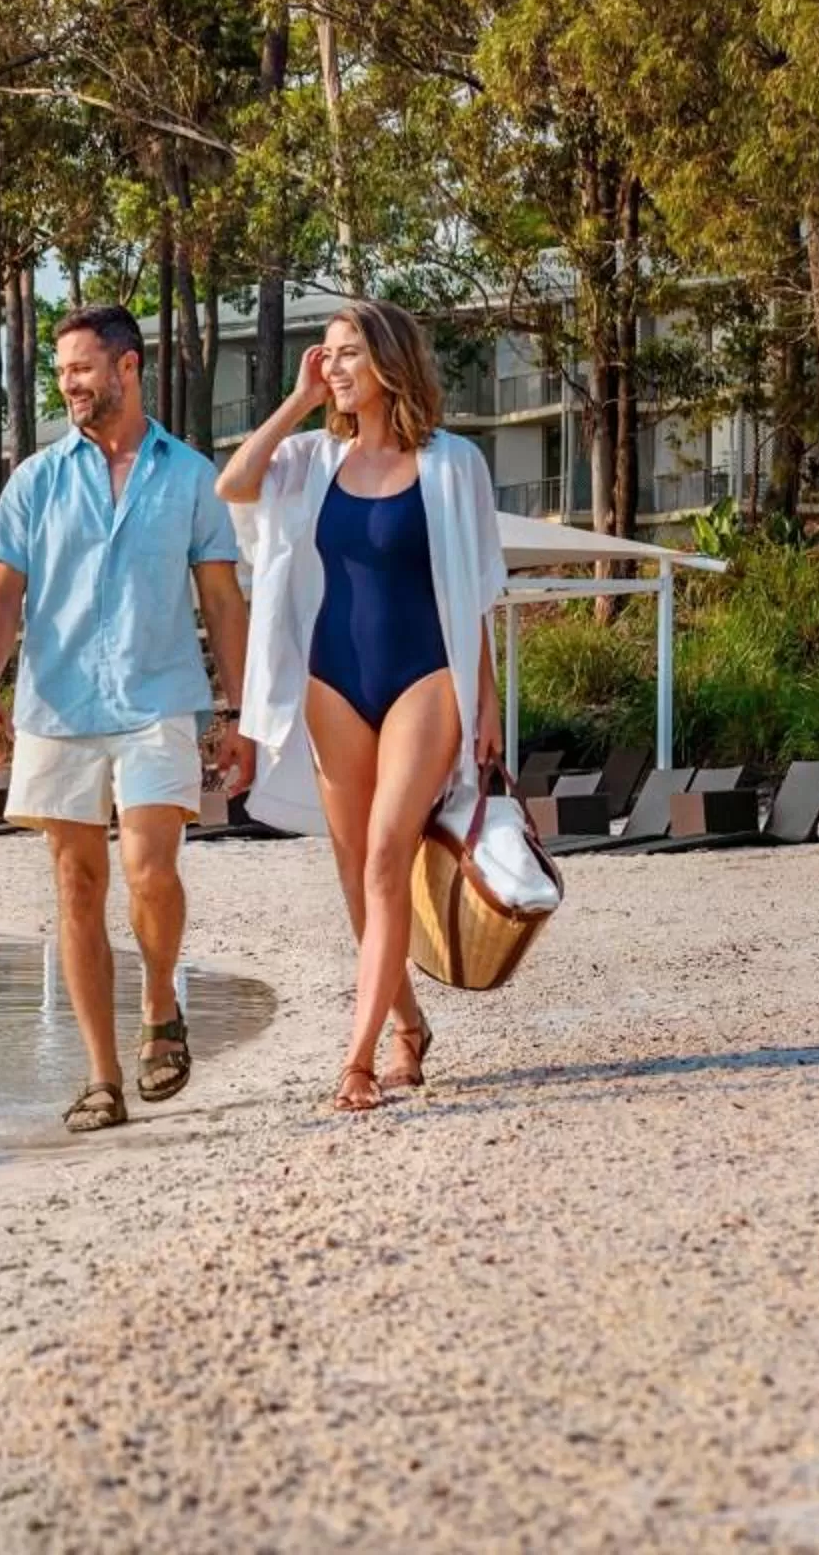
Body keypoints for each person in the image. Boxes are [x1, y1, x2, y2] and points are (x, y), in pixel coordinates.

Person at [0, 305, 253, 1135]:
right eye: (62, 372)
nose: (70, 385)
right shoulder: (35, 481)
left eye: (82, 369)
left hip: (157, 700)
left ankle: (160, 1001)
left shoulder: (190, 475)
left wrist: (239, 711)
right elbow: (1, 595)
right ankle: (101, 1077)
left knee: (151, 870)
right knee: (76, 885)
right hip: (56, 707)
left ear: (129, 367)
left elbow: (222, 600)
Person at [216, 298, 505, 1111]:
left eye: (348, 353)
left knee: (385, 857)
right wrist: (299, 400)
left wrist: (486, 701)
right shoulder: (311, 458)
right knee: (354, 871)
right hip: (330, 679)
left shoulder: (454, 463)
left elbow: (478, 590)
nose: (334, 366)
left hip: (426, 677)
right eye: (327, 353)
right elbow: (233, 485)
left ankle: (358, 1060)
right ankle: (408, 1026)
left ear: (388, 360)